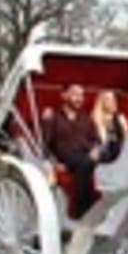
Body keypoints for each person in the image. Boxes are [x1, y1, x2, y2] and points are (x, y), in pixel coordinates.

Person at [43, 84, 101, 216]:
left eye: (81, 95)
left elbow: (96, 140)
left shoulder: (86, 118)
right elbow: (46, 144)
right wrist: (54, 163)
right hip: (66, 156)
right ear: (64, 95)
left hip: (87, 156)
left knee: (91, 161)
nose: (79, 98)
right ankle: (82, 211)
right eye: (75, 94)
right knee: (84, 162)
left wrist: (96, 149)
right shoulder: (53, 117)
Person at [91, 89, 128, 163]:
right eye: (108, 99)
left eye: (113, 99)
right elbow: (98, 141)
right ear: (102, 102)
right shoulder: (95, 119)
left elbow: (126, 139)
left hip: (118, 150)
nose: (113, 102)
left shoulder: (120, 118)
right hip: (104, 151)